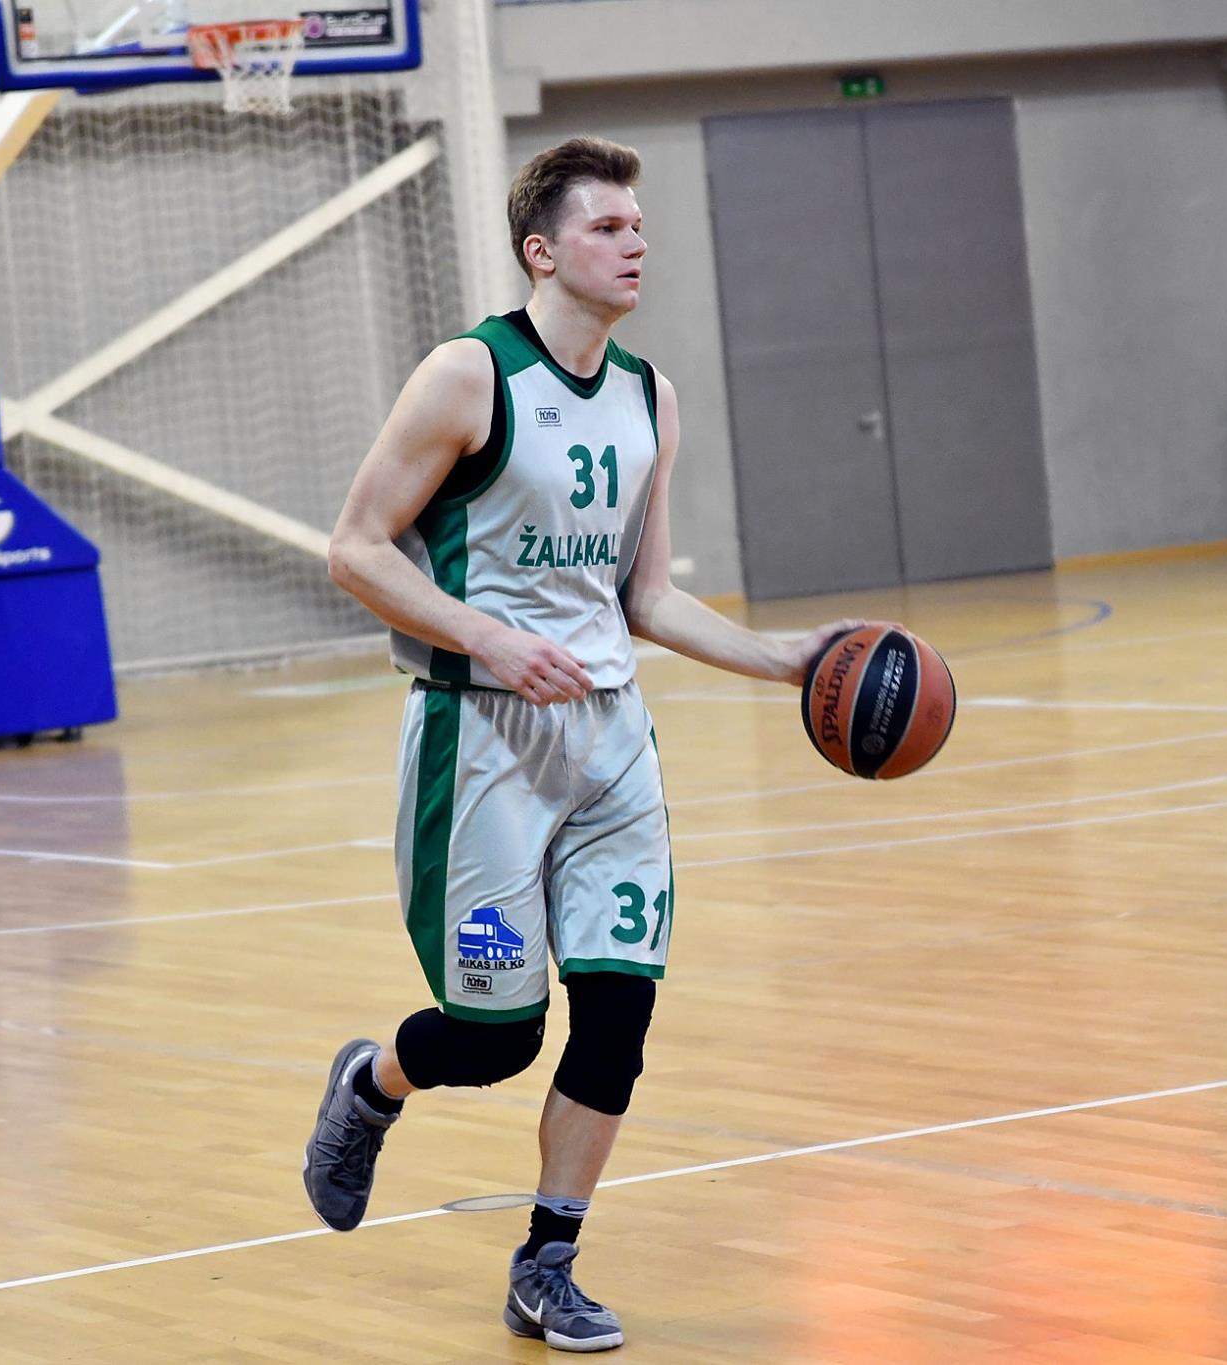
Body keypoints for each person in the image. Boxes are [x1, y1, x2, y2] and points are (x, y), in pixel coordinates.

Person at [304, 135, 862, 1353]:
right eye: (608, 227)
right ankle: (370, 1085)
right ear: (541, 251)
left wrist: (784, 660)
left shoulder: (649, 396)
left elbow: (644, 597)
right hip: (482, 742)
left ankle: (546, 1264)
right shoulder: (467, 376)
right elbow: (354, 547)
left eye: (638, 227)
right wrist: (487, 640)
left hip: (610, 745)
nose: (635, 244)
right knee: (493, 1039)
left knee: (617, 1019)